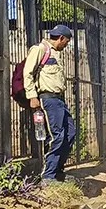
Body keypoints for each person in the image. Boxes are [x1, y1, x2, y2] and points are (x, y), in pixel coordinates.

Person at [23, 25, 75, 185]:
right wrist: (32, 96)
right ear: (61, 38)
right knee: (56, 136)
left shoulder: (55, 53)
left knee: (70, 133)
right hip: (48, 99)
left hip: (59, 100)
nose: (65, 46)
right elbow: (28, 73)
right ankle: (48, 176)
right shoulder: (40, 49)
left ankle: (58, 171)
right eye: (65, 42)